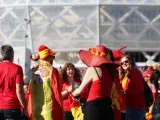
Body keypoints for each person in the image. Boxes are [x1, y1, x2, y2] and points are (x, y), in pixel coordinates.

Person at [72, 45, 117, 120]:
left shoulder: (93, 69)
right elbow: (111, 93)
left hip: (94, 109)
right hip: (107, 109)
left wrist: (72, 93)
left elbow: (80, 91)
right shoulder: (110, 72)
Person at [27, 45, 63, 120]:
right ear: (49, 58)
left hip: (35, 110)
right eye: (52, 57)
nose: (53, 59)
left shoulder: (34, 71)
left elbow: (29, 91)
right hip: (49, 111)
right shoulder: (53, 71)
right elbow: (58, 89)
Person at [0, 44, 27, 120]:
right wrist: (25, 107)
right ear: (12, 56)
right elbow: (19, 90)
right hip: (12, 107)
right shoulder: (17, 68)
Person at [119, 56, 146, 120]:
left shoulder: (134, 72)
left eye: (126, 61)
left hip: (136, 107)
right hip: (130, 106)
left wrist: (125, 91)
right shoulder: (126, 74)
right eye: (122, 63)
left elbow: (139, 89)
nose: (124, 64)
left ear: (131, 61)